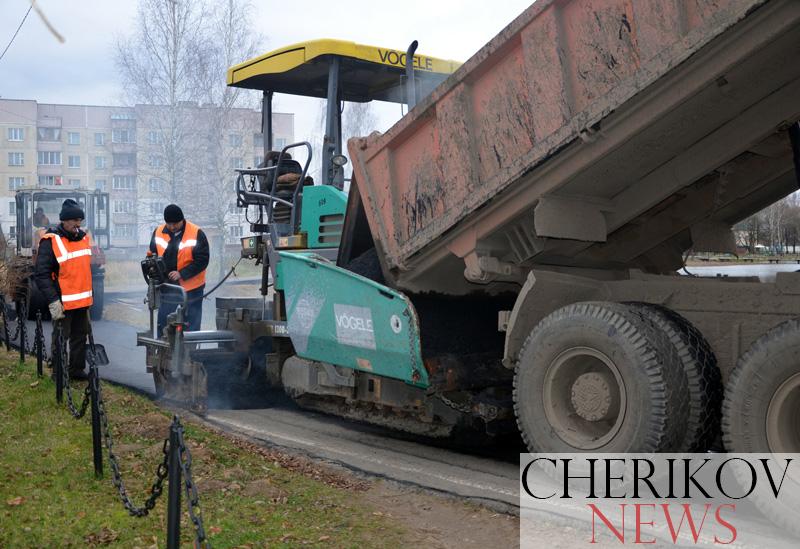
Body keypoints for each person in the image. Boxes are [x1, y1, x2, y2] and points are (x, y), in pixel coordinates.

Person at [34, 199, 93, 381]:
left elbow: (83, 270)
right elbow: (42, 274)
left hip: (82, 302)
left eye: (80, 220)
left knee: (79, 338)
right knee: (61, 337)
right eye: (74, 220)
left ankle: (76, 370)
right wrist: (53, 301)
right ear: (64, 221)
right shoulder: (50, 241)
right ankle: (58, 372)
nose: (78, 224)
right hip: (62, 301)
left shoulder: (84, 238)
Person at [148, 204, 209, 334]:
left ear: (182, 220)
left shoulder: (196, 233)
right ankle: (163, 350)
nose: (172, 226)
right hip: (168, 287)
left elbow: (202, 260)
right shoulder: (158, 232)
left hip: (192, 289)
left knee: (192, 325)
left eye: (175, 223)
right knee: (163, 322)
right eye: (169, 223)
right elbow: (151, 254)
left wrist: (181, 273)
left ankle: (190, 352)